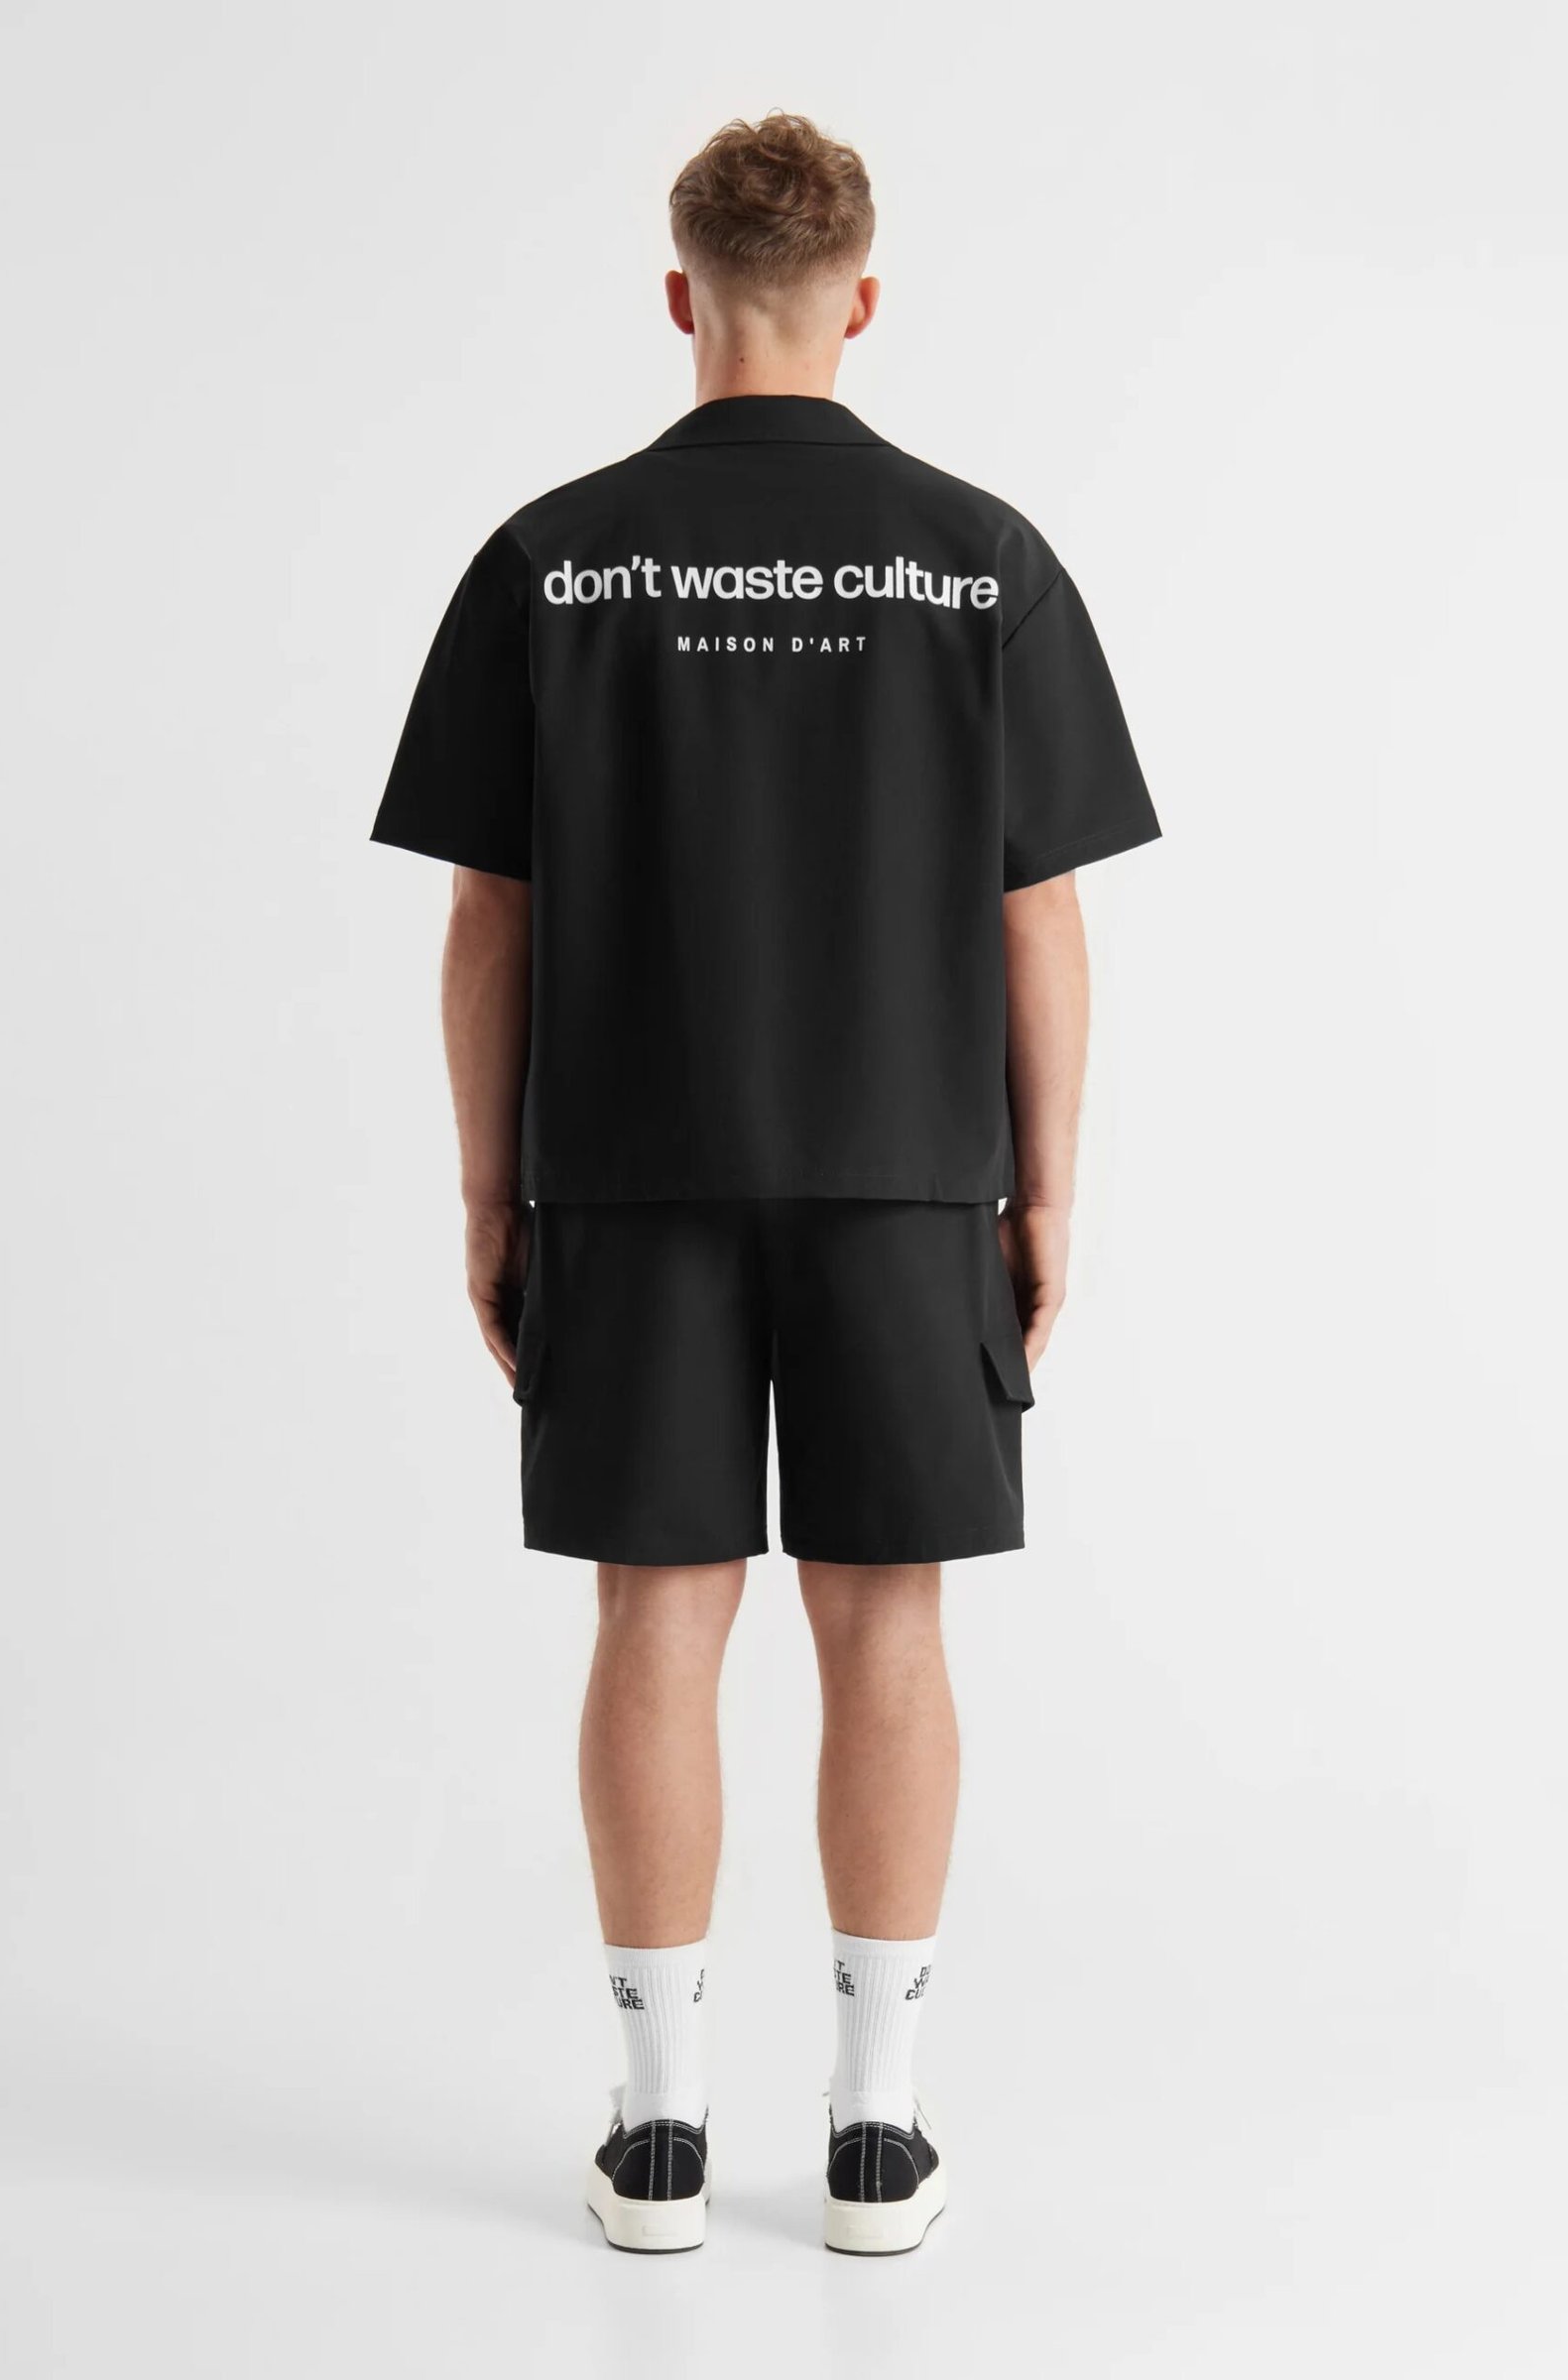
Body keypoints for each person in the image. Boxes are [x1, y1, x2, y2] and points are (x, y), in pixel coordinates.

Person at [372, 111, 1159, 2256]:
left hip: (626, 1170)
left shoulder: (555, 558)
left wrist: (488, 1191)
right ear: (863, 301)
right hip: (909, 1173)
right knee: (883, 1616)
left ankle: (656, 2134)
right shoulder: (977, 557)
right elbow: (1039, 913)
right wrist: (1046, 1191)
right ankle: (877, 2128)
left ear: (679, 296)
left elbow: (489, 913)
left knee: (657, 1612)